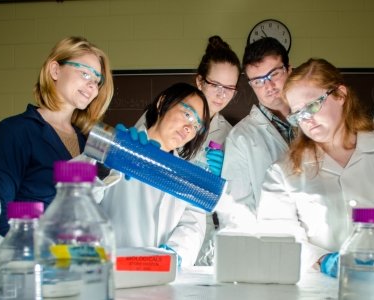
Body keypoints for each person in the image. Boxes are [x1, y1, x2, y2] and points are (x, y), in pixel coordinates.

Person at [257, 58, 374, 276]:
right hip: (321, 288)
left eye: (312, 106)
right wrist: (323, 260)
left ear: (340, 95)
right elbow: (277, 235)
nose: (307, 119)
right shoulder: (283, 172)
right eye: (298, 114)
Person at [0, 36, 114, 236]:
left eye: (97, 81)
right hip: (30, 259)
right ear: (55, 70)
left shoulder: (86, 142)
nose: (92, 87)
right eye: (85, 74)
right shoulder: (16, 131)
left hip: (71, 257)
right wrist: (22, 257)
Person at [97, 82, 211, 267]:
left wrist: (176, 254)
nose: (189, 128)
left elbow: (193, 226)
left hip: (162, 276)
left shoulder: (186, 176)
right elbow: (74, 196)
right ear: (162, 103)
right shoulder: (118, 149)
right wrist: (105, 161)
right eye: (187, 114)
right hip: (115, 272)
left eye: (197, 125)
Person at [216, 37, 293, 229]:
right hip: (273, 243)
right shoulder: (240, 137)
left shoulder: (315, 122)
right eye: (258, 81)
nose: (268, 86)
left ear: (289, 70)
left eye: (274, 74)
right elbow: (236, 210)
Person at [189, 35, 241, 266]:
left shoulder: (231, 134)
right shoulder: (166, 113)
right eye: (215, 85)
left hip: (204, 228)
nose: (222, 95)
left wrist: (224, 181)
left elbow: (235, 198)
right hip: (160, 219)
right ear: (200, 81)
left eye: (229, 88)